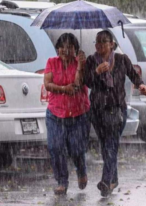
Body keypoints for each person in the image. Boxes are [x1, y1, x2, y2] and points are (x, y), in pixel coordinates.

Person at [77, 30, 146, 197]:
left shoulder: (122, 60)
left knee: (111, 145)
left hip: (116, 109)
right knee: (106, 146)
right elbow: (86, 82)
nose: (99, 46)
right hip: (97, 111)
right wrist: (96, 72)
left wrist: (142, 85)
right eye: (97, 42)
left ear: (112, 44)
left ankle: (105, 180)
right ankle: (113, 180)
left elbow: (134, 75)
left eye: (103, 42)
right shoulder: (91, 60)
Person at [44, 33, 90, 195]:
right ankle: (62, 181)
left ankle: (81, 171)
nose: (65, 50)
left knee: (77, 149)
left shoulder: (81, 64)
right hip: (55, 113)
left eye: (70, 47)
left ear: (76, 49)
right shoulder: (51, 62)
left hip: (78, 113)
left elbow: (78, 84)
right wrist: (64, 89)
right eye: (62, 46)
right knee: (55, 147)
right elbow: (48, 85)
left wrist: (80, 66)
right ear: (57, 49)